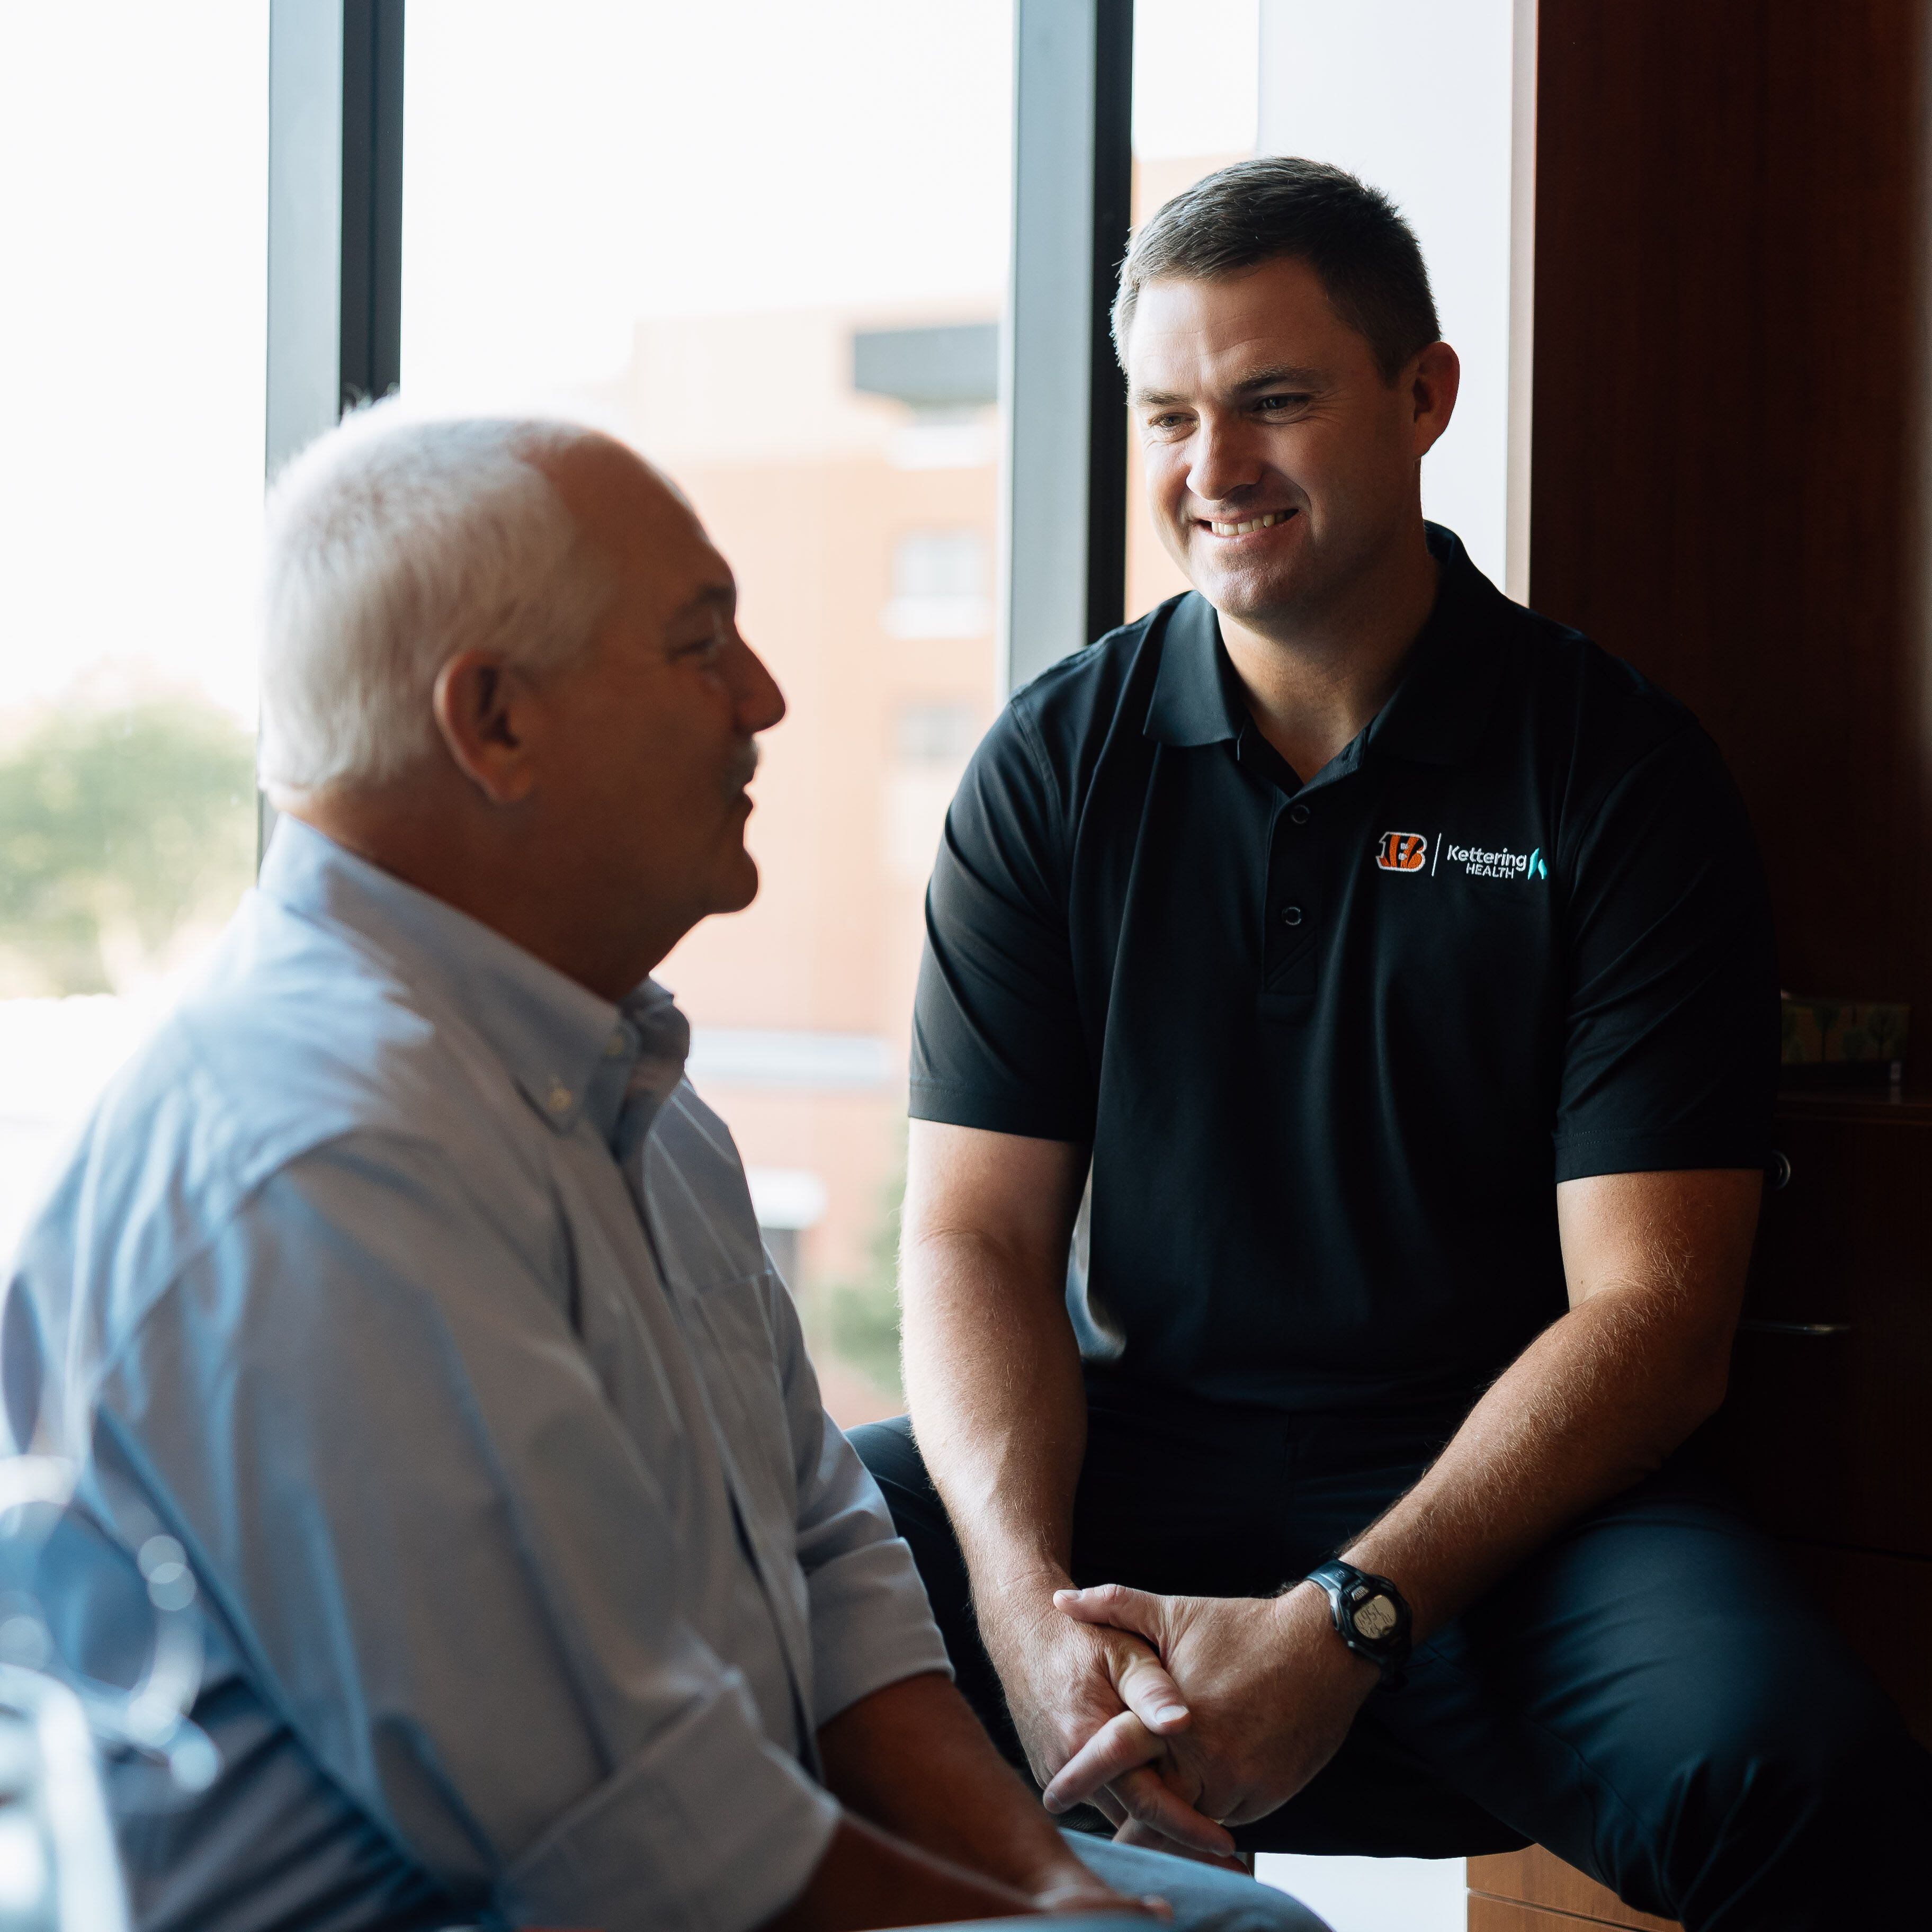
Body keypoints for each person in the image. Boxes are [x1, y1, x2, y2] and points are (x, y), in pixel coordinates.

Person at [0, 408, 1325, 1932]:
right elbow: (641, 1855)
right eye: (703, 645)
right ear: (493, 720)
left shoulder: (628, 1093)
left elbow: (827, 1564)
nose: (764, 696)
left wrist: (1043, 1884)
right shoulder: (326, 1165)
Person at [852, 157, 1932, 1928]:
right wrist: (1029, 1617)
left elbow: (1654, 1319)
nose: (1213, 472)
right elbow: (971, 1236)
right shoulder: (1053, 767)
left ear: (1423, 396)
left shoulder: (1616, 773)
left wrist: (1346, 1619)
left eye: (1274, 400)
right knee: (733, 1578)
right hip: (1152, 1461)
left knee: (1806, 1781)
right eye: (1172, 415)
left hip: (1516, 1509)